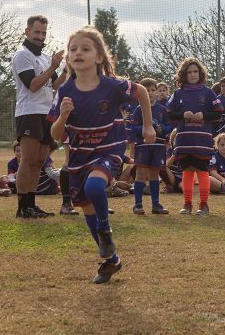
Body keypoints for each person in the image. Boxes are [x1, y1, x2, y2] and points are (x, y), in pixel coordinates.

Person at [48, 26, 154, 284]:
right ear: (68, 58)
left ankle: (105, 230)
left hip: (109, 149)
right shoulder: (64, 91)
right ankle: (111, 260)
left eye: (85, 48)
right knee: (86, 206)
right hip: (79, 157)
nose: (78, 53)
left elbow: (141, 91)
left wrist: (148, 126)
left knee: (95, 186)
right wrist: (63, 116)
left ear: (98, 57)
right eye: (73, 49)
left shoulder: (112, 87)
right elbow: (55, 135)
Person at [12, 15, 65, 218]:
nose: (40, 36)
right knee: (28, 160)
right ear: (27, 32)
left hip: (46, 113)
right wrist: (52, 67)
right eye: (37, 32)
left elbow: (55, 85)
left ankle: (32, 205)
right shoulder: (22, 55)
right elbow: (33, 85)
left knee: (39, 161)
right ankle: (22, 206)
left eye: (43, 33)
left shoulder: (43, 58)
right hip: (29, 112)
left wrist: (68, 69)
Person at [166, 57, 223, 216]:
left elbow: (218, 113)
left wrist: (203, 115)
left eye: (195, 71)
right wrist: (182, 114)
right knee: (187, 171)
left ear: (200, 73)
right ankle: (187, 204)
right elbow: (169, 114)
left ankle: (204, 205)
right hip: (184, 141)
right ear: (184, 74)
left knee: (202, 171)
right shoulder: (178, 94)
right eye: (189, 72)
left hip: (202, 141)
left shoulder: (208, 92)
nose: (192, 74)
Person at [128, 77, 172, 215]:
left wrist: (161, 128)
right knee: (140, 174)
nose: (150, 92)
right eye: (146, 90)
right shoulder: (137, 110)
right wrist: (144, 129)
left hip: (158, 146)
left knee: (154, 174)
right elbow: (132, 127)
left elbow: (169, 127)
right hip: (143, 146)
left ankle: (156, 204)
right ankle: (138, 204)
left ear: (157, 92)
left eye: (153, 90)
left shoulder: (163, 110)